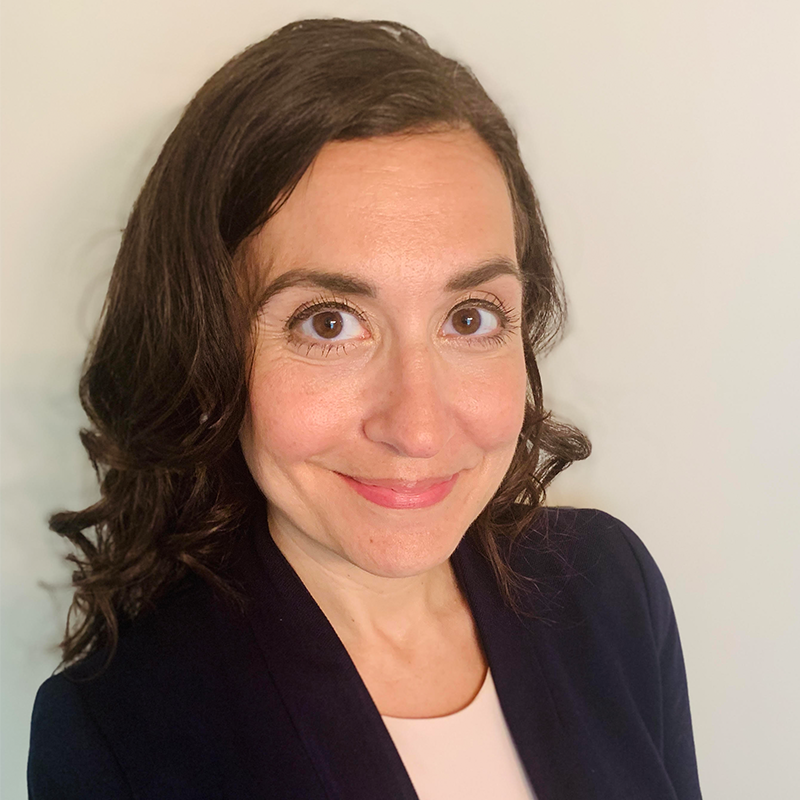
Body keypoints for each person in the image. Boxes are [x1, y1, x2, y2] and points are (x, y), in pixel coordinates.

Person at [27, 18, 701, 800]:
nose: (417, 427)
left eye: (470, 317)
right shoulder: (118, 730)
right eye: (328, 323)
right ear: (205, 349)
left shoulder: (608, 589)